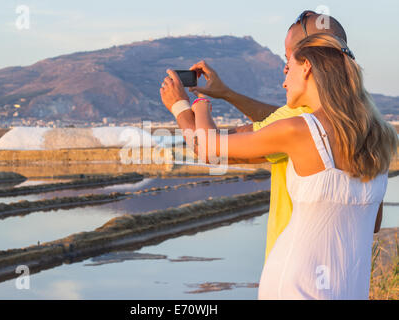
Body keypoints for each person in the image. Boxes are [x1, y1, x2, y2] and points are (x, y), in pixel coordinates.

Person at [161, 32, 397, 299]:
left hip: (296, 286)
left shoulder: (300, 129)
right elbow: (373, 222)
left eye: (289, 68)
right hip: (349, 288)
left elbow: (208, 148)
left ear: (307, 67)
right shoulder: (381, 135)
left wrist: (194, 105)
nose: (284, 81)